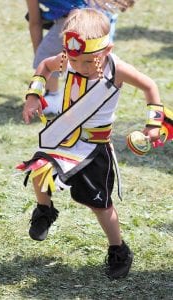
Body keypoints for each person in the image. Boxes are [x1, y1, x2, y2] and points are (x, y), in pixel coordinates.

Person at [19, 8, 163, 280]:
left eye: (88, 61)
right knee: (38, 170)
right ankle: (45, 210)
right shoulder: (68, 59)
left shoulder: (116, 69)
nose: (80, 66)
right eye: (76, 60)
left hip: (95, 148)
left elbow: (149, 86)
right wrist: (33, 96)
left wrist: (153, 124)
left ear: (107, 49)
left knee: (100, 206)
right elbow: (44, 67)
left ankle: (118, 249)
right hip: (63, 139)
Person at [25, 0, 136, 115]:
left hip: (79, 18)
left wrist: (42, 54)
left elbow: (35, 22)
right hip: (99, 17)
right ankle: (93, 96)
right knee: (92, 62)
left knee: (57, 54)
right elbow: (35, 22)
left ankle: (53, 96)